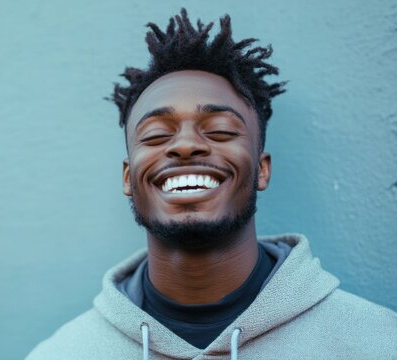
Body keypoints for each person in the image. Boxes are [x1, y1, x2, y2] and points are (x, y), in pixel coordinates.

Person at [27, 8, 396, 360]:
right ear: (128, 177)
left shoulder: (377, 343)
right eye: (156, 135)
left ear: (262, 170)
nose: (186, 145)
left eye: (219, 130)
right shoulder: (60, 354)